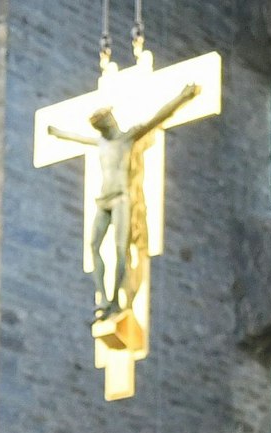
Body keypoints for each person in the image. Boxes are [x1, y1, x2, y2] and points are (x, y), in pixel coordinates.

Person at [48, 83, 200, 320]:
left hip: (121, 199)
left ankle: (114, 297)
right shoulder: (101, 142)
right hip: (103, 200)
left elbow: (159, 116)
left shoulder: (127, 138)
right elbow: (77, 138)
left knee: (120, 249)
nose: (105, 130)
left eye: (106, 124)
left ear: (112, 122)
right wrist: (57, 133)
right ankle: (104, 297)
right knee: (94, 246)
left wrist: (182, 97)